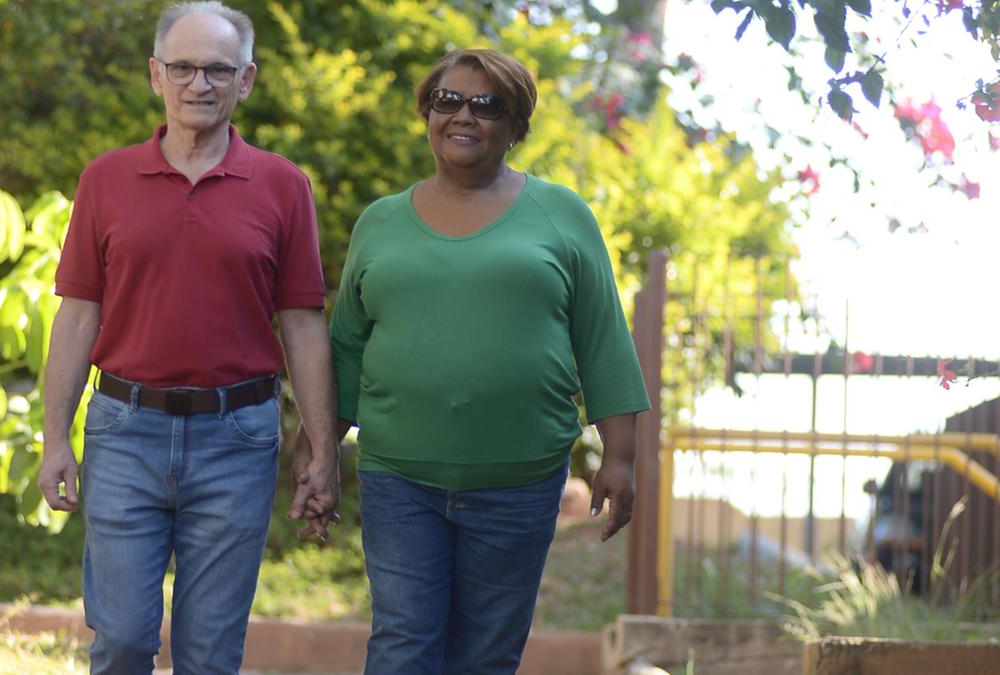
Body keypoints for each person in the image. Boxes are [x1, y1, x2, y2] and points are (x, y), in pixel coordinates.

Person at [294, 48, 650, 674]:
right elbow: (346, 346)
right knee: (404, 645)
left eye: (488, 106)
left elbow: (603, 340)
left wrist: (619, 457)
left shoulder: (562, 215)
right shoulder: (380, 223)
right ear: (428, 115)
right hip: (399, 477)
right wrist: (320, 454)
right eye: (447, 101)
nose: (464, 115)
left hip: (520, 481)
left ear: (515, 127)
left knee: (485, 657)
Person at [36, 3, 339, 673]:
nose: (199, 83)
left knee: (209, 654)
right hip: (123, 430)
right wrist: (55, 437)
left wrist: (321, 445)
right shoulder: (105, 180)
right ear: (155, 74)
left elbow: (303, 324)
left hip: (239, 438)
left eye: (218, 70)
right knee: (120, 639)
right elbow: (78, 314)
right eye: (183, 67)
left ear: (247, 80)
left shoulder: (284, 186)